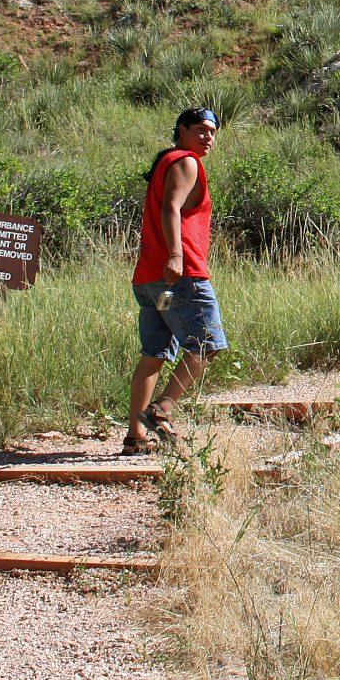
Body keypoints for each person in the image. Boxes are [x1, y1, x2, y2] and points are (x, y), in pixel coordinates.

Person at [122, 107, 227, 454]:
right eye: (200, 129)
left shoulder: (165, 162)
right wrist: (177, 255)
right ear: (181, 130)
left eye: (211, 131)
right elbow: (171, 207)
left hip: (154, 283)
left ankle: (136, 436)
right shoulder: (186, 162)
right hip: (179, 276)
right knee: (206, 344)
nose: (207, 137)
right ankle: (161, 409)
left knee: (154, 353)